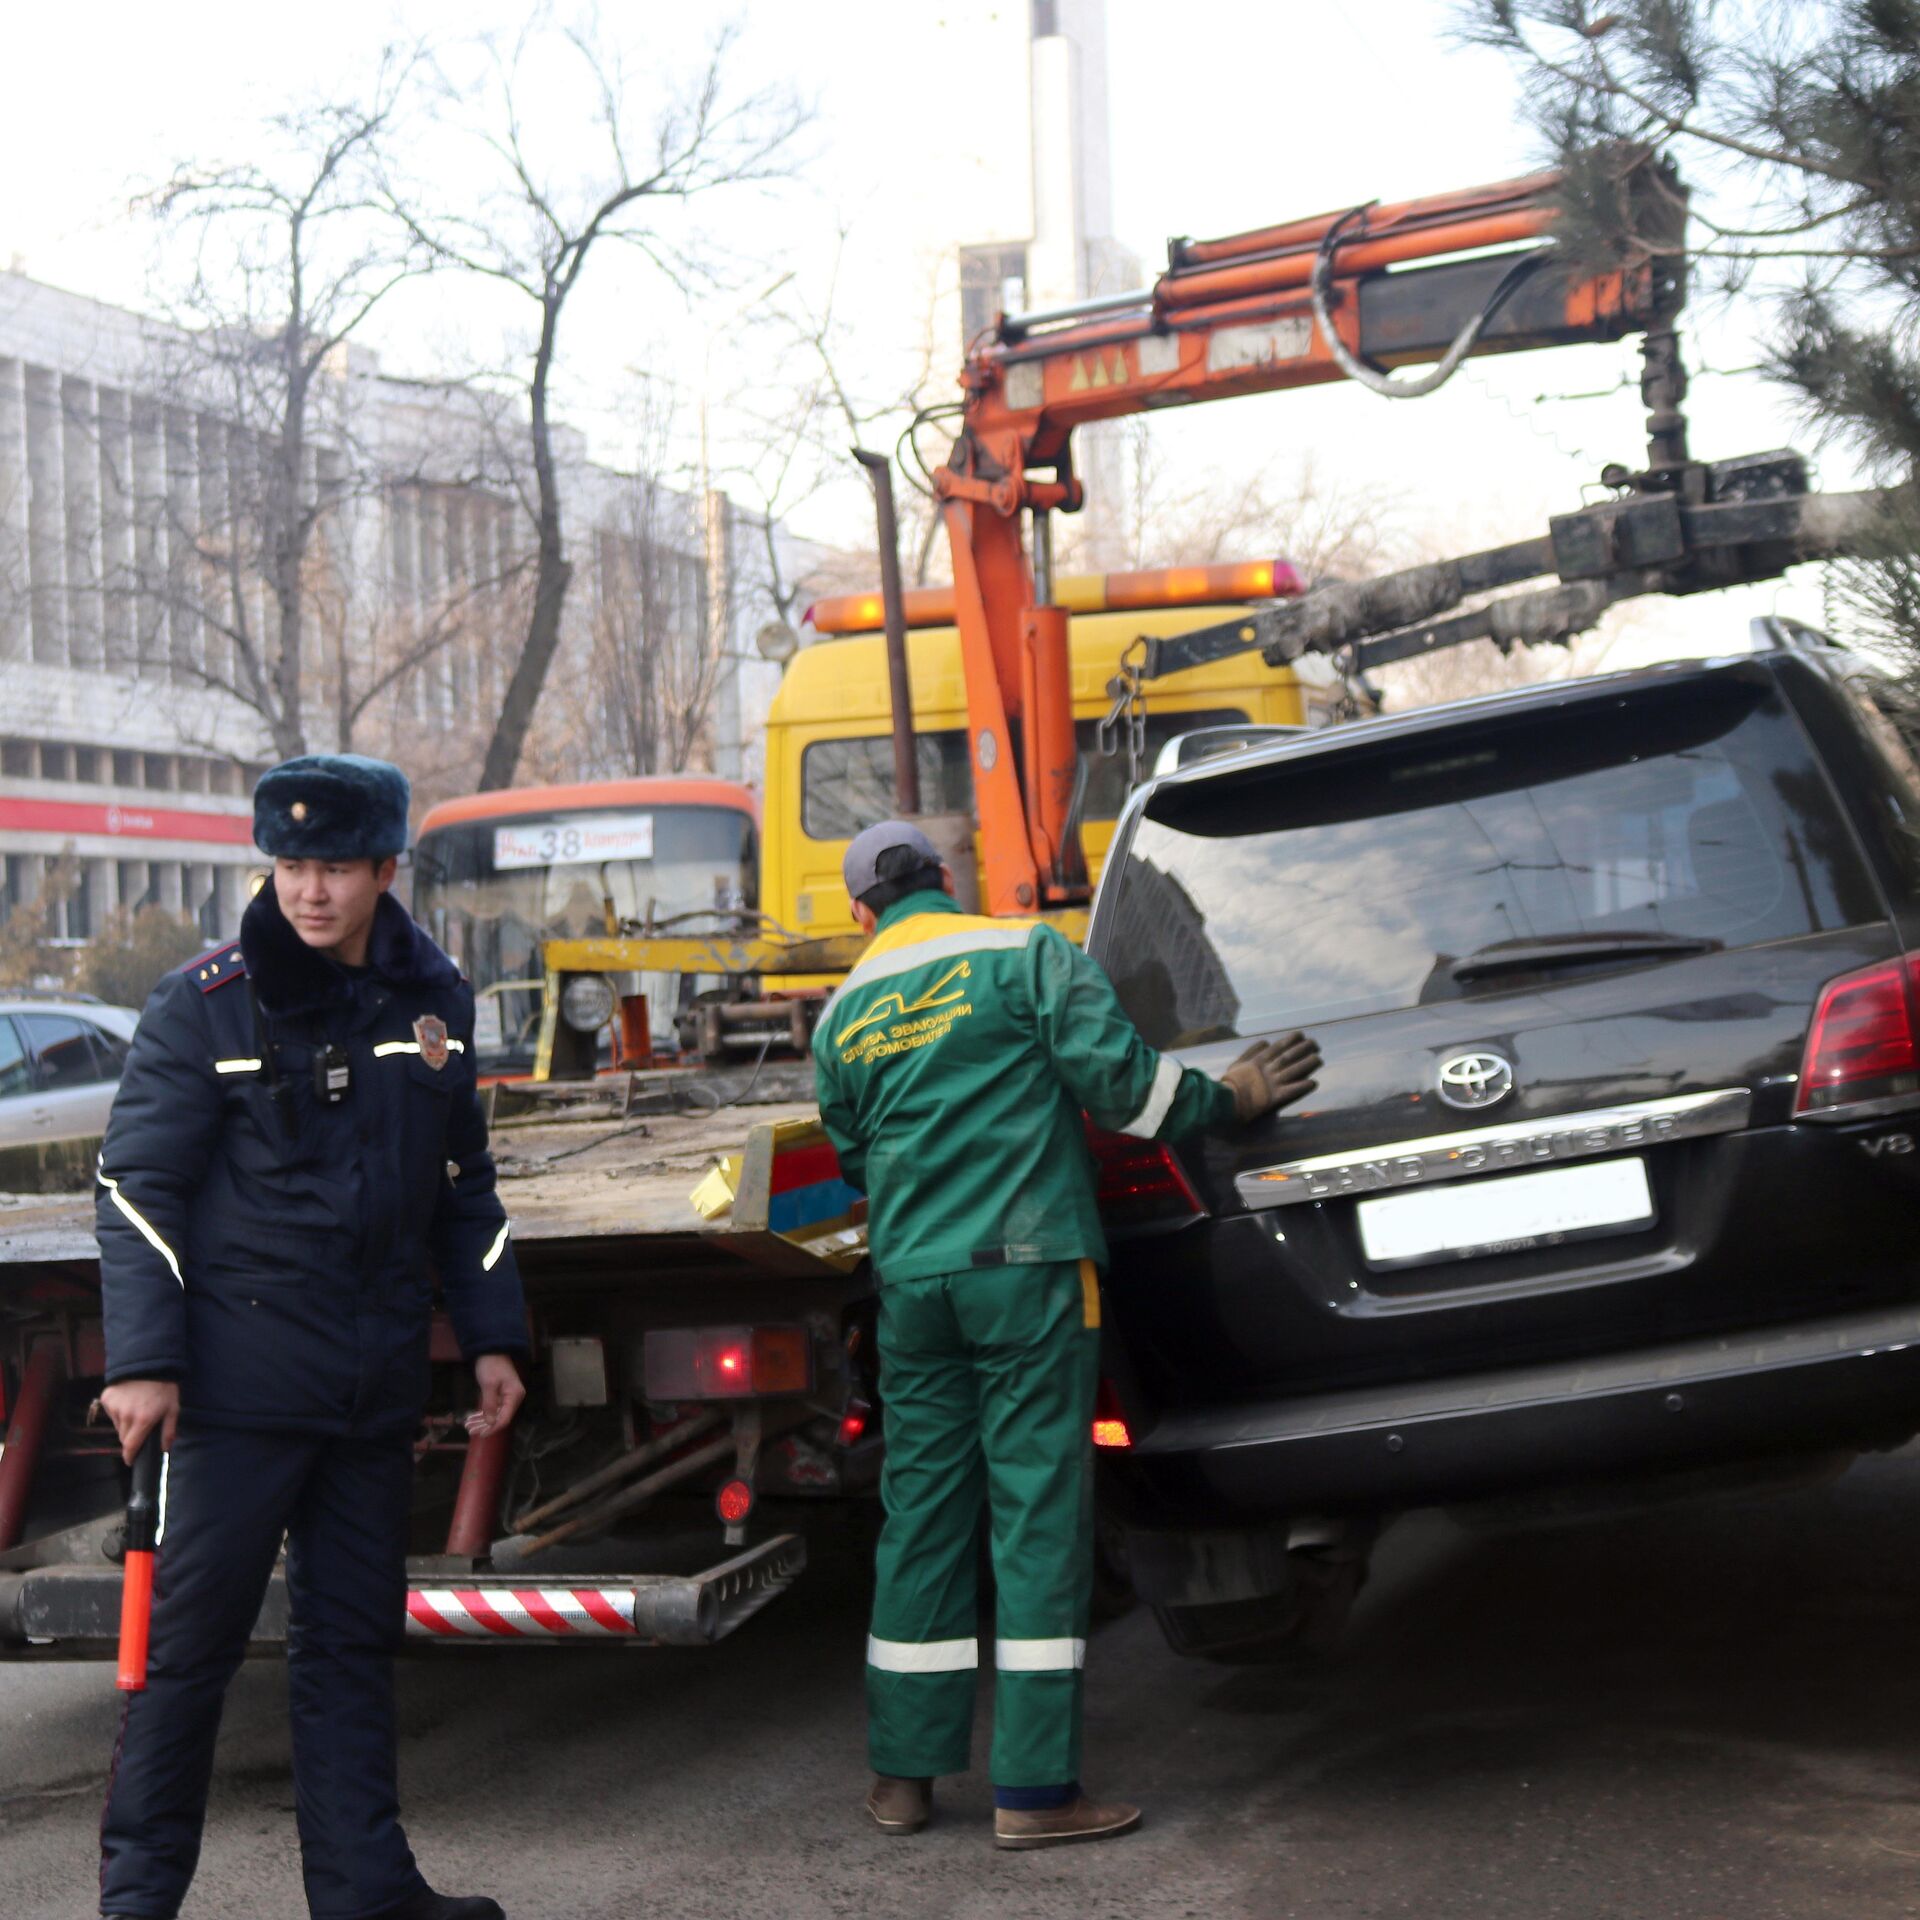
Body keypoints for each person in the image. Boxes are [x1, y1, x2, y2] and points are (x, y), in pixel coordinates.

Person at [812, 820, 1320, 1850]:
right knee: (1036, 1513)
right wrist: (1236, 1096)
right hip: (1029, 1269)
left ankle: (904, 1779)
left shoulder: (842, 1015)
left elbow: (856, 1161)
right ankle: (1036, 1795)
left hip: (914, 1286)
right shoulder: (1024, 952)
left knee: (921, 1518)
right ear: (946, 882)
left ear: (862, 912)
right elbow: (1132, 1092)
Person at [94, 753, 529, 1920]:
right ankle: (137, 1901)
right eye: (290, 865)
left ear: (387, 868)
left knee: (349, 1652)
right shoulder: (204, 1003)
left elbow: (463, 1180)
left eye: (335, 866)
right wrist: (142, 1362)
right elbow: (137, 1186)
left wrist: (492, 1335)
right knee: (187, 1662)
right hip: (236, 1393)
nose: (309, 890)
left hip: (371, 1390)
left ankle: (366, 1893)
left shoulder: (431, 998)